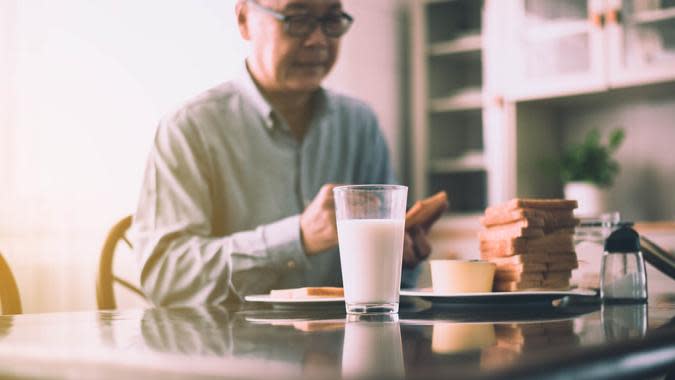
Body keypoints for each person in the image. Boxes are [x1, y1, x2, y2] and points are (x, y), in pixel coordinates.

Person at [132, 0, 445, 306]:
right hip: (231, 353)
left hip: (345, 353)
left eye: (332, 20)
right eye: (297, 18)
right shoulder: (190, 128)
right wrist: (298, 237)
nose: (318, 40)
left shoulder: (360, 125)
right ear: (244, 20)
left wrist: (401, 256)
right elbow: (165, 276)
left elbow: (390, 289)